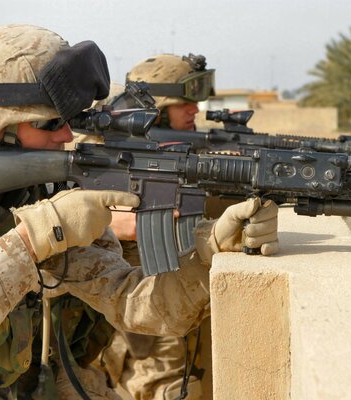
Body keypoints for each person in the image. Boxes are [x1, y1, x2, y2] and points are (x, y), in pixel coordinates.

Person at [0, 24, 279, 399]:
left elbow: (134, 303)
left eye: (70, 120)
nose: (67, 135)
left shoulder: (47, 184)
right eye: (49, 125)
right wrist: (36, 237)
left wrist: (209, 250)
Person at [94, 54, 279, 400]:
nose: (195, 110)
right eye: (184, 103)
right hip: (145, 326)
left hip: (185, 304)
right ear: (158, 108)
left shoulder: (190, 154)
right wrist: (119, 221)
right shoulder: (115, 158)